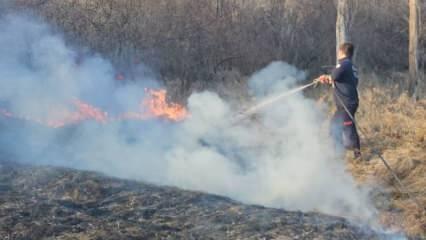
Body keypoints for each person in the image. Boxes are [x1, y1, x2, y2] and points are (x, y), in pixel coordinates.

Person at [319, 43, 362, 159]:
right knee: (335, 125)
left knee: (348, 128)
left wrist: (325, 77)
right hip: (347, 103)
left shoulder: (344, 64)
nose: (337, 53)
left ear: (342, 52)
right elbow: (339, 81)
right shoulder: (351, 66)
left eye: (338, 51)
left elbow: (334, 76)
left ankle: (357, 154)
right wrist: (328, 79)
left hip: (346, 104)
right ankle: (338, 152)